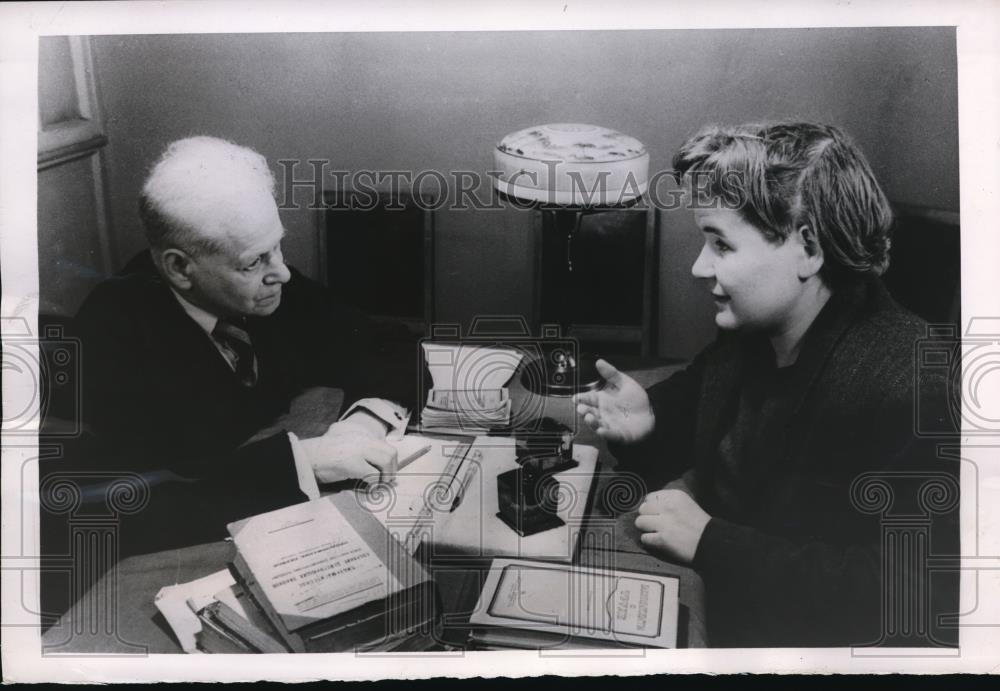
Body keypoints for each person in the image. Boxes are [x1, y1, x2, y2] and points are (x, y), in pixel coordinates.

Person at [576, 122, 959, 647]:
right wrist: (649, 418)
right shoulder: (755, 331)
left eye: (721, 245)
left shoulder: (914, 382)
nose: (697, 266)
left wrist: (711, 542)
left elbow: (910, 595)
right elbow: (698, 397)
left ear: (807, 249)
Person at [69, 136, 411, 550]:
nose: (282, 273)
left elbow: (386, 341)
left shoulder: (263, 286)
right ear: (179, 268)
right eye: (254, 261)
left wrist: (363, 425)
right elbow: (132, 502)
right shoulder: (109, 333)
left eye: (277, 246)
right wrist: (306, 463)